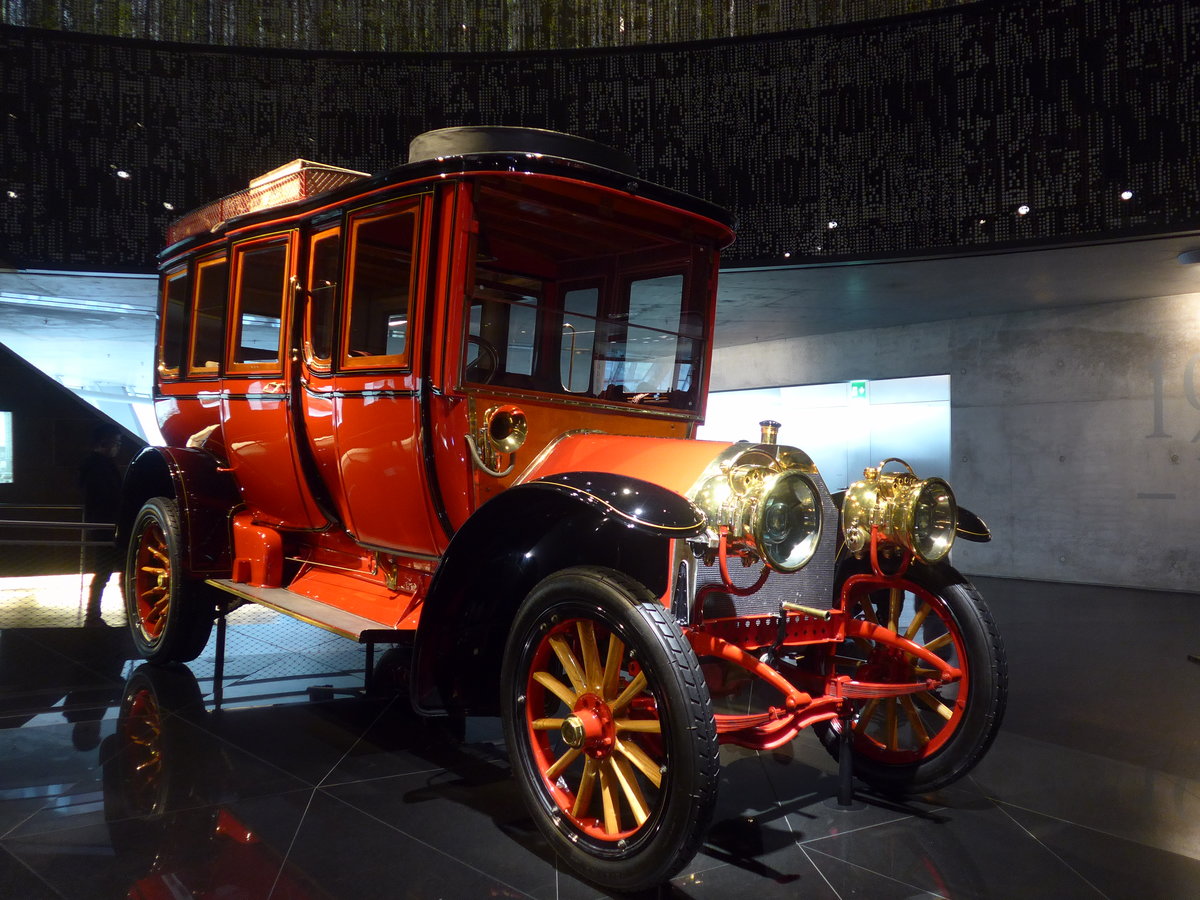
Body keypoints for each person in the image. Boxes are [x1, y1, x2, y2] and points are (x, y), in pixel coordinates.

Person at [79, 423, 123, 625]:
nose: (118, 447)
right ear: (106, 442)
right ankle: (95, 613)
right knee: (115, 571)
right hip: (108, 527)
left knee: (103, 571)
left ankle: (93, 614)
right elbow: (110, 496)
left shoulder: (92, 465)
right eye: (117, 442)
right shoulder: (102, 466)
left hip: (101, 527)